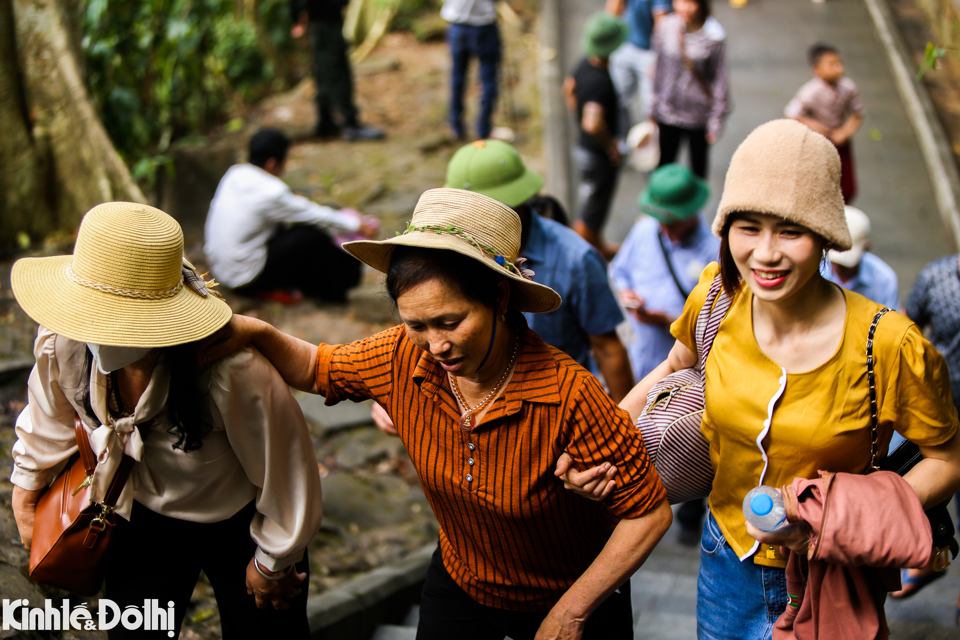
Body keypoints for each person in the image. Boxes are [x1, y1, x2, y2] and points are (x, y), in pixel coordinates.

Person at [203, 187, 672, 640]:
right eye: (416, 325)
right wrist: (258, 332)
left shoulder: (568, 395)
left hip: (570, 593)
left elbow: (647, 514)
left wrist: (572, 612)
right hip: (463, 583)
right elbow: (316, 366)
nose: (436, 345)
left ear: (500, 299)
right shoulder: (400, 358)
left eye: (451, 322)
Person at [560, 120, 960, 639]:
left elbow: (945, 460)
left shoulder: (890, 344)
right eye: (748, 227)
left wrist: (850, 516)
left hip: (831, 575)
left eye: (789, 230)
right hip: (725, 563)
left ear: (825, 237)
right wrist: (605, 445)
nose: (765, 253)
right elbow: (674, 367)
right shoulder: (715, 298)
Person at [9, 202, 323, 638]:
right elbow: (48, 417)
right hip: (141, 513)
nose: (98, 332)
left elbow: (286, 471)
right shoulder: (64, 343)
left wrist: (272, 562)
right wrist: (26, 491)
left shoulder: (230, 371)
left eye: (116, 320)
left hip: (239, 523)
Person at [443, 139, 634, 401]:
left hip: (556, 406)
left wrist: (626, 423)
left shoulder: (576, 260)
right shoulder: (450, 251)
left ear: (521, 201)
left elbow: (608, 349)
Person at [609, 163, 718, 547]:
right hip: (643, 354)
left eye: (672, 221)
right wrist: (629, 297)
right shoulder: (644, 231)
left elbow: (716, 318)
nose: (665, 228)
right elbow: (620, 271)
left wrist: (669, 319)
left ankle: (691, 510)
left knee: (692, 439)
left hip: (690, 372)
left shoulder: (714, 250)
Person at [204, 128, 379, 304]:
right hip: (245, 278)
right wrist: (357, 225)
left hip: (221, 270)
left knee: (292, 229)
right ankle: (337, 289)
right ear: (272, 163)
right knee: (309, 236)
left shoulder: (235, 173)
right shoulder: (271, 192)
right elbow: (316, 215)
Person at [894, 253, 960, 623]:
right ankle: (928, 558)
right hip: (937, 404)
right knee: (928, 492)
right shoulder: (937, 276)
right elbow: (909, 322)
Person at [563, 12, 629, 259]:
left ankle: (598, 244)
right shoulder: (600, 80)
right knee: (593, 208)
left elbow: (568, 88)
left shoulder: (584, 63)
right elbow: (592, 122)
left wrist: (577, 113)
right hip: (596, 154)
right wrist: (611, 146)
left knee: (594, 204)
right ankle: (583, 254)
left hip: (584, 148)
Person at [650, 0, 729, 179]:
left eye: (690, 2)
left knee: (698, 168)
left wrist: (716, 120)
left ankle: (695, 206)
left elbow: (719, 80)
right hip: (668, 111)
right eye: (679, 1)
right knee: (665, 164)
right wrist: (652, 107)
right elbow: (658, 67)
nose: (683, 8)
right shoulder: (666, 26)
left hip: (698, 115)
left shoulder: (714, 36)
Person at [291, 0, 385, 141]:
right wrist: (299, 17)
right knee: (337, 72)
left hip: (324, 21)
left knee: (325, 71)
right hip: (324, 22)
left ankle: (326, 122)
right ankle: (350, 124)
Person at [785, 43, 863, 203]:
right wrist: (817, 128)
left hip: (840, 141)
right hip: (818, 142)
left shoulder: (848, 88)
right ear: (817, 69)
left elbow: (857, 113)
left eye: (839, 63)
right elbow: (792, 115)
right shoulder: (810, 92)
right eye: (832, 64)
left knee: (846, 186)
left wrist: (845, 132)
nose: (839, 68)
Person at [441, 0, 501, 141]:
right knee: (488, 81)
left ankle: (456, 126)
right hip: (484, 26)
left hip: (457, 25)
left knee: (457, 78)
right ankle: (484, 131)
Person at [606, 0, 672, 127]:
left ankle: (651, 143)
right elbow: (613, 11)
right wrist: (608, 44)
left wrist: (660, 61)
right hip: (624, 45)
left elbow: (661, 24)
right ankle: (618, 140)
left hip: (650, 53)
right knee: (614, 100)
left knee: (652, 109)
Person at [824, 205, 899, 310]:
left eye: (845, 265)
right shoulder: (814, 270)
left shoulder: (883, 280)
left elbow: (891, 323)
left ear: (867, 247)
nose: (838, 267)